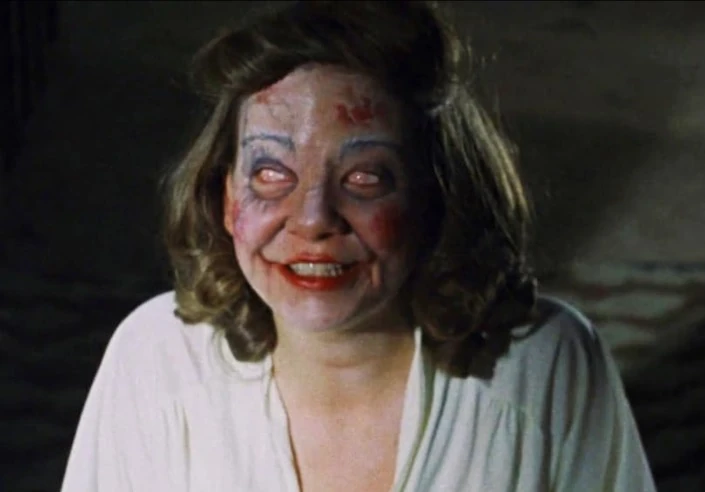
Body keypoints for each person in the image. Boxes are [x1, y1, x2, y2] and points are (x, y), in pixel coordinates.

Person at [61, 2, 657, 491]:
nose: (314, 219)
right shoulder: (155, 363)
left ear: (436, 196)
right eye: (271, 173)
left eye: (365, 178)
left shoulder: (544, 364)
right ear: (224, 194)